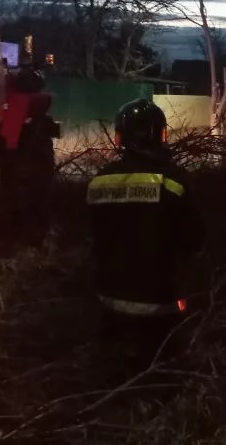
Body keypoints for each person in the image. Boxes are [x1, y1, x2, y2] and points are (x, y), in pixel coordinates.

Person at [85, 98, 205, 359]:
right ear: (161, 134)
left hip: (109, 301)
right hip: (161, 306)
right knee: (160, 370)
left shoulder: (99, 181)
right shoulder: (175, 181)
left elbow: (90, 237)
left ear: (119, 137)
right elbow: (195, 240)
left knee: (113, 371)